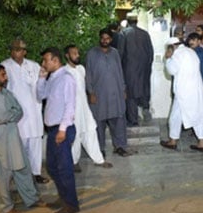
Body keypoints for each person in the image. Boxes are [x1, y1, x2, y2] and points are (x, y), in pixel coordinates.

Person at [0, 64, 47, 213]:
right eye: (3, 74)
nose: (6, 77)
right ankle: (6, 208)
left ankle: (32, 199)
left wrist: (8, 116)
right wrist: (9, 116)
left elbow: (19, 111)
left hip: (13, 138)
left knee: (23, 169)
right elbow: (1, 117)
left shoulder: (7, 93)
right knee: (2, 176)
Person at [37, 47, 80, 213]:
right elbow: (40, 96)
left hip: (63, 129)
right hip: (53, 129)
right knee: (52, 167)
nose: (43, 63)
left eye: (45, 60)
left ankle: (71, 204)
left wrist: (62, 130)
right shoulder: (52, 77)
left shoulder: (66, 78)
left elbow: (70, 106)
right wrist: (41, 78)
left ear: (55, 60)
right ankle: (64, 197)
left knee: (64, 168)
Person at [1, 39, 49, 184]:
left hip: (33, 112)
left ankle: (36, 173)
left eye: (19, 49)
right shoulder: (4, 66)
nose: (16, 52)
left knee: (35, 144)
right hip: (17, 114)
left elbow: (41, 85)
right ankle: (20, 175)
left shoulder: (34, 66)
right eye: (13, 49)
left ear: (24, 51)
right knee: (18, 145)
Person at [63, 45, 114, 171]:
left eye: (78, 53)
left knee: (90, 131)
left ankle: (99, 160)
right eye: (74, 53)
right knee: (75, 136)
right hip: (72, 110)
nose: (77, 55)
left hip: (84, 107)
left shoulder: (81, 69)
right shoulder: (64, 72)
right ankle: (74, 162)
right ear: (67, 56)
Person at [160, 37, 203, 152]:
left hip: (184, 92)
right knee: (198, 115)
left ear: (171, 47)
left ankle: (173, 141)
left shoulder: (177, 55)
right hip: (196, 90)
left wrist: (167, 59)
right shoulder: (191, 52)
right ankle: (201, 143)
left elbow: (172, 71)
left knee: (175, 117)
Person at [85, 28, 130, 157]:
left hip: (115, 92)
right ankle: (100, 149)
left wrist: (123, 88)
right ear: (100, 38)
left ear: (111, 39)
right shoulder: (92, 54)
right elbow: (88, 74)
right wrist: (91, 92)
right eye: (103, 38)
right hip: (99, 94)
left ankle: (120, 146)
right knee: (99, 122)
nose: (105, 41)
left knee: (118, 121)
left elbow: (120, 72)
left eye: (108, 38)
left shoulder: (115, 53)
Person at [121, 16, 154, 126]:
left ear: (127, 22)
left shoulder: (124, 33)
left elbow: (120, 53)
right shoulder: (145, 34)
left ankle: (133, 120)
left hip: (129, 69)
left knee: (130, 94)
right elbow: (150, 52)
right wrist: (147, 67)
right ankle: (145, 108)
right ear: (137, 21)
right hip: (144, 68)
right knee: (144, 89)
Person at [186, 33, 203, 112]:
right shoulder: (187, 52)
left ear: (199, 41)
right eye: (190, 40)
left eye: (194, 40)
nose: (191, 42)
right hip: (192, 83)